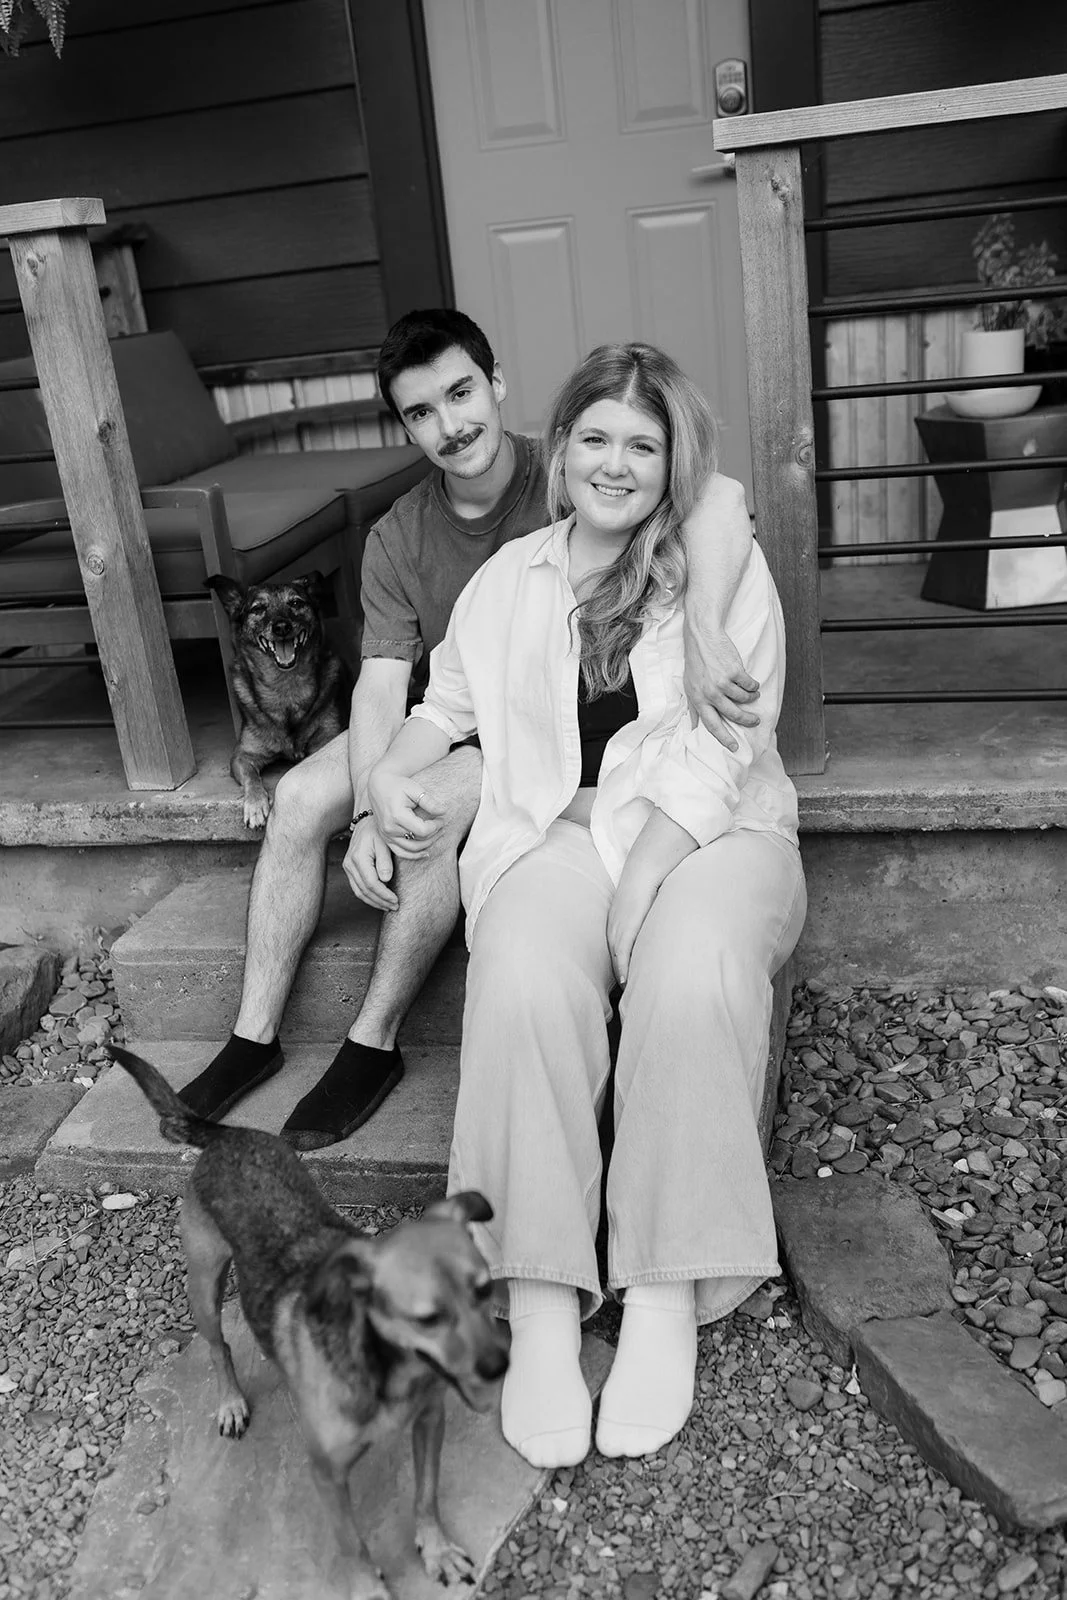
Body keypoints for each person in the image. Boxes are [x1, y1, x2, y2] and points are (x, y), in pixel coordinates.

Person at [367, 343, 805, 1470]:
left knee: (688, 970)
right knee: (516, 974)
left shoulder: (715, 571)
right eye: (594, 438)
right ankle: (544, 1293)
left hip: (709, 835)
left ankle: (662, 1292)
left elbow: (723, 748)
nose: (615, 463)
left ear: (672, 465)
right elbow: (447, 703)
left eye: (642, 444)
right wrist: (388, 776)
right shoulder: (507, 576)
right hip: (555, 833)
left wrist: (648, 882)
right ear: (557, 451)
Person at [179, 311, 761, 1150]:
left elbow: (716, 495)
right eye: (421, 412)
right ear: (405, 425)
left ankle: (372, 1040)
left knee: (427, 806)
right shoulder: (398, 536)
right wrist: (369, 801)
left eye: (460, 393)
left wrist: (705, 623)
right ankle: (252, 1036)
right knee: (304, 793)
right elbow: (385, 684)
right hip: (437, 711)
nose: (451, 426)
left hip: (529, 728)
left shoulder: (573, 468)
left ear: (495, 384)